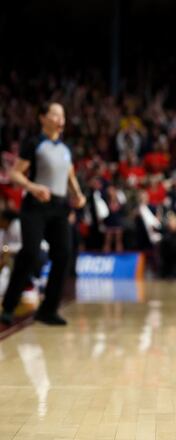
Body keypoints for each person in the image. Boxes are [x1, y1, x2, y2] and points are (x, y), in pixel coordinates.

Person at [1, 102, 86, 326]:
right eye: (55, 114)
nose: (60, 119)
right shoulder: (34, 144)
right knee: (29, 252)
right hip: (36, 206)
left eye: (63, 115)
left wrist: (77, 194)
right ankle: (9, 305)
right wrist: (33, 187)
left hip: (59, 207)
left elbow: (70, 177)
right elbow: (15, 174)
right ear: (43, 118)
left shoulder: (66, 149)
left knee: (64, 254)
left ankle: (48, 309)